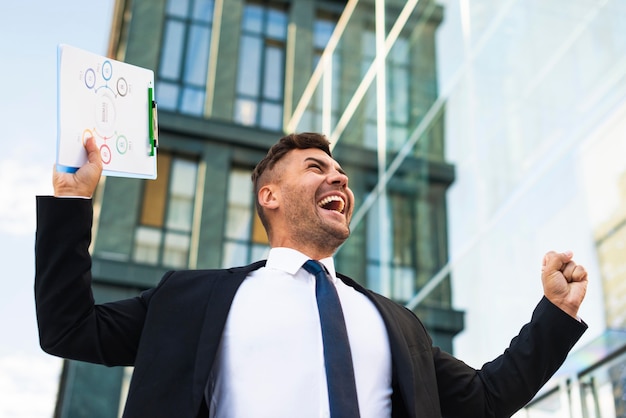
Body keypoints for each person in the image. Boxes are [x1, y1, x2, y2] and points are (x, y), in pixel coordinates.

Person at [35, 132, 588, 418]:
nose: (339, 181)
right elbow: (69, 328)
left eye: (342, 175)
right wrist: (71, 202)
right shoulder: (191, 299)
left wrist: (556, 314)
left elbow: (486, 401)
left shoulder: (396, 323)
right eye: (318, 168)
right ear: (268, 195)